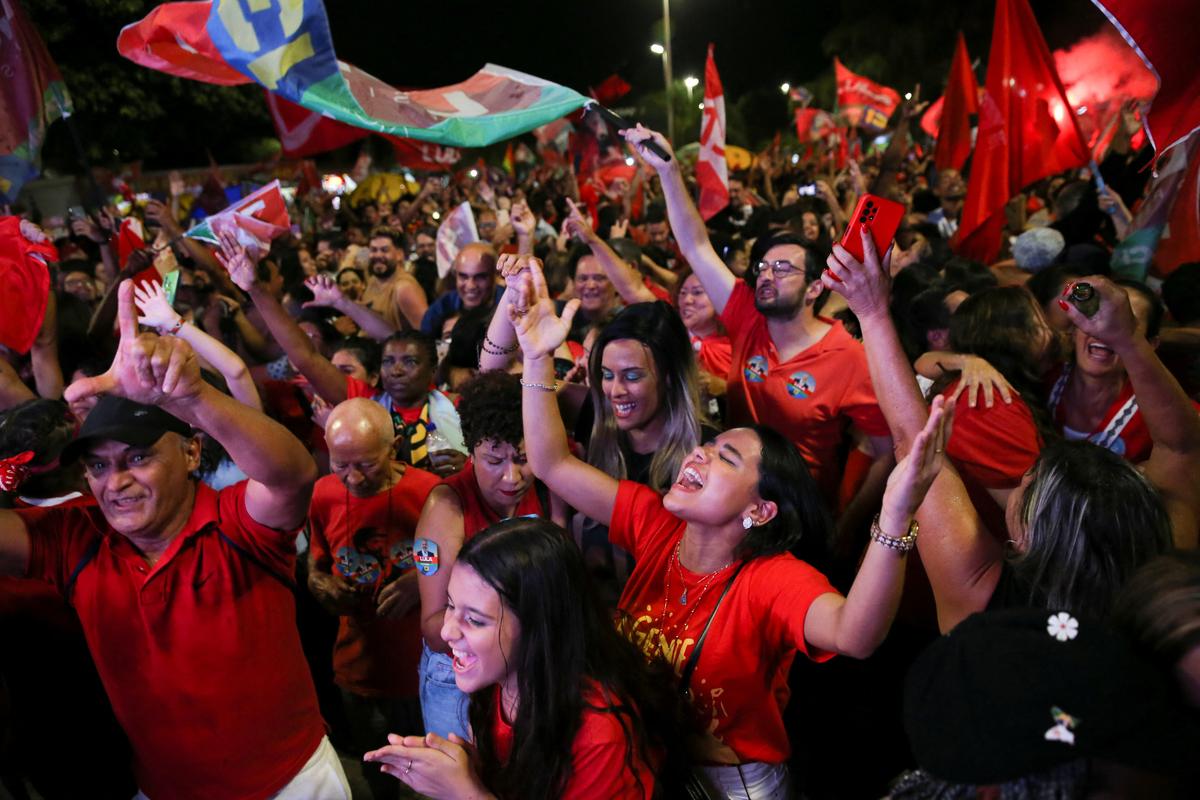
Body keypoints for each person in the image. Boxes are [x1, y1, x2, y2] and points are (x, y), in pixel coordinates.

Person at [507, 257, 952, 796]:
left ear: (760, 510)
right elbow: (552, 463)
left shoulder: (770, 580)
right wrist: (535, 359)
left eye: (727, 459)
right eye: (708, 448)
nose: (697, 455)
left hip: (730, 784)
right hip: (648, 758)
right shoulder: (655, 524)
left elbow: (855, 636)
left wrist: (897, 517)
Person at [0, 281, 349, 799]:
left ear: (190, 454)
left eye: (138, 458)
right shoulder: (75, 537)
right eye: (98, 466)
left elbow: (292, 478)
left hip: (292, 784)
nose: (115, 483)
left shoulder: (234, 522)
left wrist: (192, 396)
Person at [824, 232, 1200, 633]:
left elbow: (913, 439)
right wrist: (1126, 338)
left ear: (1021, 538)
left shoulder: (984, 596)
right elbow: (1181, 448)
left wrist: (873, 311)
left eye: (1030, 484)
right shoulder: (1160, 583)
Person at [623, 125, 894, 527]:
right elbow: (696, 246)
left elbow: (884, 449)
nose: (767, 274)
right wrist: (668, 172)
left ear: (814, 287)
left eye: (783, 268)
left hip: (799, 520)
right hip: (728, 506)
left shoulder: (849, 357)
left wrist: (849, 524)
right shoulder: (745, 314)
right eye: (763, 266)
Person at [366, 517, 686, 799]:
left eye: (475, 620)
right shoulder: (499, 679)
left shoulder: (597, 731)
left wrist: (467, 792)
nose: (448, 631)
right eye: (451, 605)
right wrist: (470, 768)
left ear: (538, 627)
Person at [220, 232, 468, 475]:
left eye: (410, 361)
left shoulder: (456, 405)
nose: (397, 370)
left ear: (433, 371)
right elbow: (306, 357)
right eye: (388, 361)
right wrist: (255, 289)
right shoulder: (366, 403)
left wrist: (469, 466)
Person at [414, 371, 562, 742]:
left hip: (526, 668)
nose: (512, 477)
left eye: (523, 458)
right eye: (494, 460)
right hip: (457, 671)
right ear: (471, 450)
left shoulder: (550, 480)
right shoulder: (444, 508)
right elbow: (434, 629)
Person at [307, 398, 440, 800]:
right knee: (376, 770)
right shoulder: (323, 495)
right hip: (357, 663)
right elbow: (317, 562)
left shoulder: (428, 492)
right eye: (340, 464)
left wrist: (420, 579)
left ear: (394, 445)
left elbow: (457, 558)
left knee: (429, 772)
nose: (353, 478)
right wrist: (317, 581)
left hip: (423, 667)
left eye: (365, 464)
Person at [420, 243, 503, 337]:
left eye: (480, 277)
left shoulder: (510, 306)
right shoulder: (441, 308)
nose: (470, 286)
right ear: (455, 275)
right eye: (463, 276)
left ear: (496, 275)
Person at [360, 227, 428, 330]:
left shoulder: (404, 288)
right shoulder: (372, 280)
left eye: (385, 250)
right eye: (373, 250)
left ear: (399, 255)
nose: (378, 255)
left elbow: (425, 334)